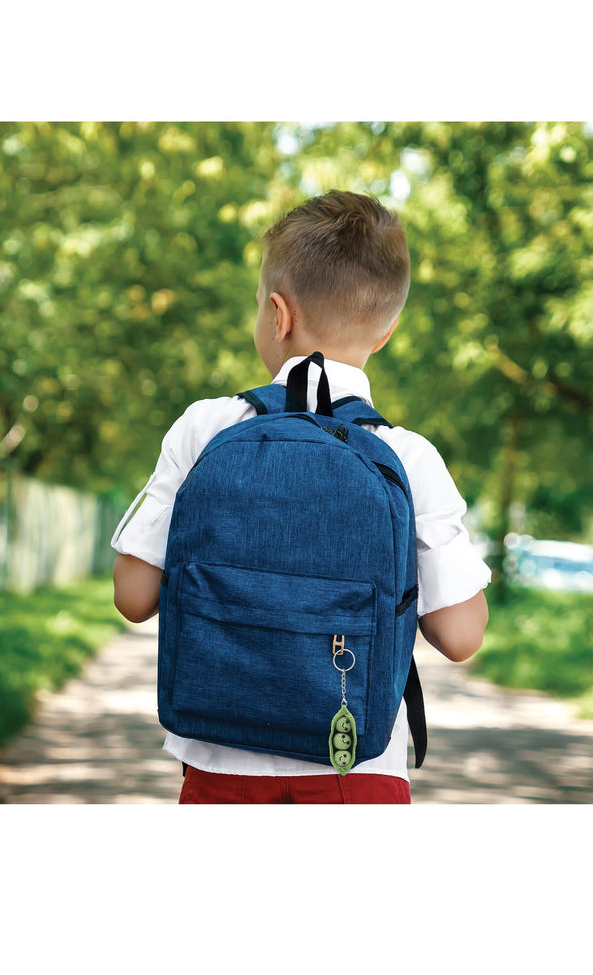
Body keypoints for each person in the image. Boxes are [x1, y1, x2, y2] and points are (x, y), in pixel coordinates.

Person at [111, 190, 491, 804]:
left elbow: (134, 597)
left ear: (278, 315)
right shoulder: (409, 457)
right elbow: (461, 636)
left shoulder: (206, 428)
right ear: (388, 331)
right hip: (357, 768)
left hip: (218, 764)